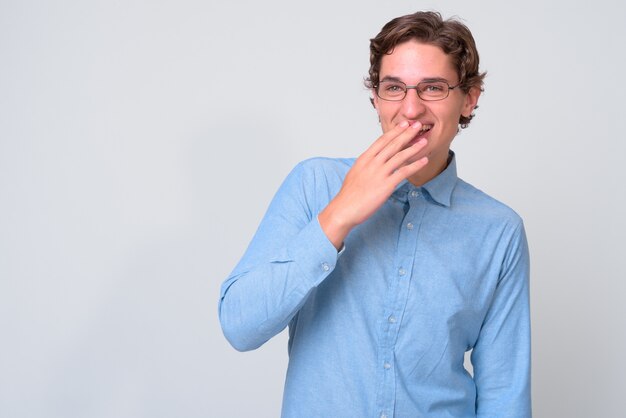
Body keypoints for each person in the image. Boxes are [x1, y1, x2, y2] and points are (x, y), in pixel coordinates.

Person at [219, 10, 531, 418]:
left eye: (433, 88)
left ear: (469, 99)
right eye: (394, 88)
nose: (411, 109)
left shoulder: (499, 231)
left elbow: (505, 394)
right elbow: (240, 327)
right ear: (375, 98)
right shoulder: (315, 184)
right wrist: (339, 216)